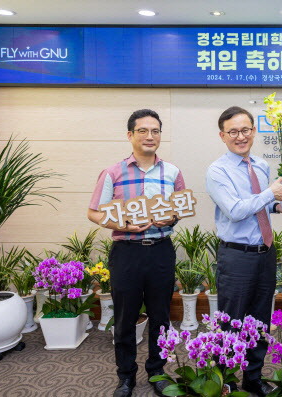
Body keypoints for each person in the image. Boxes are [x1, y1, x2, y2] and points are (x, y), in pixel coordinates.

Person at [87, 109, 184, 397]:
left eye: (155, 131)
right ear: (130, 135)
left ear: (160, 136)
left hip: (161, 252)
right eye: (143, 130)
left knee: (160, 316)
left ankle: (157, 372)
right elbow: (93, 213)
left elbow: (179, 209)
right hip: (126, 253)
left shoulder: (173, 172)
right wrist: (123, 224)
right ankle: (125, 376)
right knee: (125, 318)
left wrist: (172, 219)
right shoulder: (112, 172)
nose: (149, 136)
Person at [205, 106, 282, 396]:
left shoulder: (260, 165)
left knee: (260, 321)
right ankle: (225, 382)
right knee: (231, 321)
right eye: (233, 131)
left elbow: (259, 204)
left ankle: (253, 378)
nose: (240, 136)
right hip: (236, 256)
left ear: (254, 131)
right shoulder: (217, 170)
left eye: (246, 129)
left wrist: (280, 207)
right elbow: (235, 210)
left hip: (265, 252)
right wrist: (271, 194)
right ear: (222, 135)